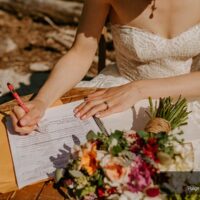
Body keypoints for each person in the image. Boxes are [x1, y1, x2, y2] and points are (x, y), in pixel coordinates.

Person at [11, 0, 200, 135]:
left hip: (188, 94)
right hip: (118, 89)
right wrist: (42, 101)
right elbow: (80, 53)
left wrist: (139, 89)